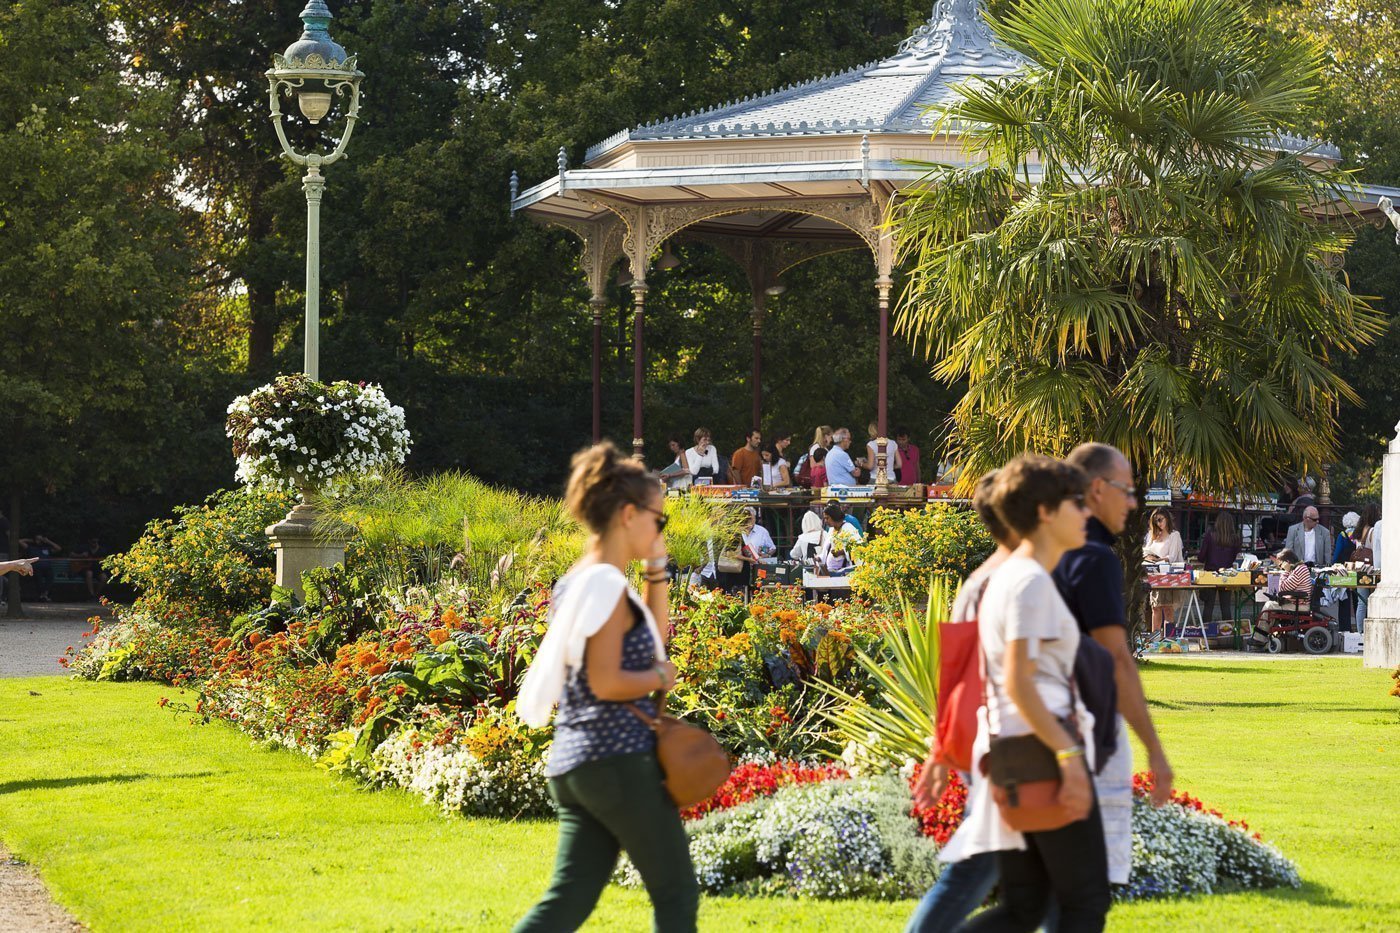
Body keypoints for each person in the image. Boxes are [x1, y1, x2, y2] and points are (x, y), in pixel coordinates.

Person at [515, 442, 697, 932]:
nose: (661, 529)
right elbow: (607, 680)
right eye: (658, 520)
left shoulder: (583, 581)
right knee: (677, 893)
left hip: (576, 764)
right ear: (628, 513)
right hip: (615, 760)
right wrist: (661, 678)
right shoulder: (605, 586)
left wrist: (656, 567)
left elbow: (654, 640)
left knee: (566, 903)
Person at [957, 454, 1109, 933]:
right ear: (1045, 511)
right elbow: (1019, 681)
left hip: (1016, 751)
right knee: (1084, 904)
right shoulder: (1028, 582)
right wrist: (1068, 758)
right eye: (1076, 503)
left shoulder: (1011, 578)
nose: (1086, 513)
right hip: (1043, 751)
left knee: (1024, 909)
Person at [1054, 443, 1174, 896]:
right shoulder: (1093, 556)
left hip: (1035, 729)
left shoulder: (1040, 548)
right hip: (1085, 731)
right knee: (1087, 892)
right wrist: (1155, 752)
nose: (1134, 503)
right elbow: (1117, 659)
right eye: (1126, 491)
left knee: (1030, 899)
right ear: (1098, 488)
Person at [907, 471, 1023, 933]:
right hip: (998, 745)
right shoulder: (998, 582)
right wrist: (946, 752)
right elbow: (961, 677)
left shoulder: (997, 579)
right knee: (980, 866)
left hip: (998, 743)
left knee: (1031, 893)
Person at [1250, 549, 1313, 646]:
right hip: (1296, 602)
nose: (1281, 567)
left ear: (1287, 562)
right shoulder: (1298, 568)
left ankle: (1260, 638)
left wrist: (1283, 573)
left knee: (1268, 607)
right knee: (1271, 604)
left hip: (1300, 604)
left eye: (1281, 564)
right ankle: (1262, 636)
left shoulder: (1299, 569)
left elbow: (1283, 588)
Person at [1142, 509, 1183, 634]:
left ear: (1167, 519)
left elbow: (1173, 556)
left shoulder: (1174, 535)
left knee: (1167, 607)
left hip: (1168, 574)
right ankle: (1156, 637)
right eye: (1155, 521)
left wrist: (1160, 559)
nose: (1158, 523)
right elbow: (1145, 551)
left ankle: (1169, 638)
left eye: (1160, 520)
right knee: (1155, 607)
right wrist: (1149, 557)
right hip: (1153, 574)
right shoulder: (1151, 535)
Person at [1196, 512, 1241, 623]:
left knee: (1208, 605)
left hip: (1210, 575)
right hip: (1227, 575)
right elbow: (1234, 557)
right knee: (1226, 606)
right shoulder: (1235, 538)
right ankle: (1228, 634)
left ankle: (1206, 632)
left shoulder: (1210, 535)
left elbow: (1201, 557)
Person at [1355, 504, 1381, 632]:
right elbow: (1375, 550)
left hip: (1360, 569)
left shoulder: (1359, 530)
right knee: (1373, 600)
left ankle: (1360, 632)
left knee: (1361, 603)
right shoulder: (1373, 530)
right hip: (1370, 570)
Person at [20, 533, 61, 602]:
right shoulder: (31, 548)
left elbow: (58, 548)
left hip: (47, 568)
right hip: (36, 568)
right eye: (37, 539)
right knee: (38, 578)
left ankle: (43, 595)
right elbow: (20, 541)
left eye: (40, 539)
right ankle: (43, 595)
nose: (39, 541)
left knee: (50, 577)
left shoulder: (46, 548)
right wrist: (31, 540)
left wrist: (48, 541)